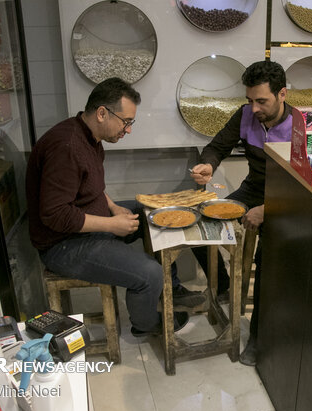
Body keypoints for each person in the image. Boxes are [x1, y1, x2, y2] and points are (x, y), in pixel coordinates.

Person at [26, 77, 204, 337]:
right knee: (148, 274)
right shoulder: (66, 147)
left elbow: (90, 185)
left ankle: (172, 287)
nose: (128, 130)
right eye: (126, 122)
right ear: (102, 113)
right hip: (62, 244)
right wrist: (111, 224)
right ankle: (147, 324)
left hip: (87, 222)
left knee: (154, 214)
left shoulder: (90, 137)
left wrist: (111, 207)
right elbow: (54, 215)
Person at [190, 61, 293, 366]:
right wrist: (209, 165)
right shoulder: (246, 114)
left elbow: (305, 187)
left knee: (266, 261)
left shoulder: (303, 125)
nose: (255, 108)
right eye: (250, 100)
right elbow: (217, 146)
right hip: (253, 190)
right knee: (201, 226)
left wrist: (269, 209)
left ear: (283, 94)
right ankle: (223, 287)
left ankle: (259, 340)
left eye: (262, 101)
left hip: (289, 201)